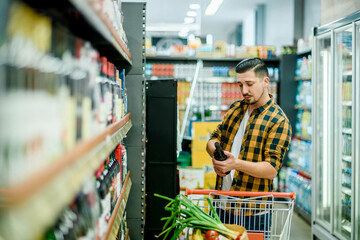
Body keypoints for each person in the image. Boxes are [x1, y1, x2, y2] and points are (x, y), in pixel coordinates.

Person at [206, 57, 292, 235]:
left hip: (253, 213)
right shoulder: (236, 108)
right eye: (240, 85)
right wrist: (218, 156)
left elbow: (271, 169)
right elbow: (214, 138)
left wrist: (235, 164)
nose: (244, 91)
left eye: (250, 84)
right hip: (221, 206)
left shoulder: (278, 121)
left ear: (265, 81)